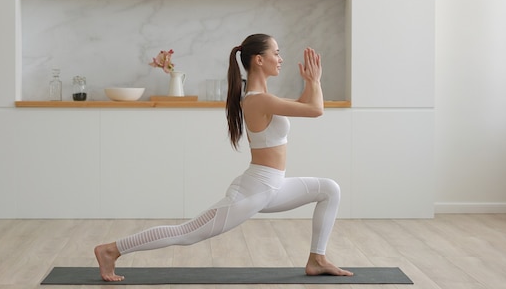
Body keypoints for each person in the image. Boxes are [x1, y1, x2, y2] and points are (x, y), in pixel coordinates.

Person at [94, 34, 353, 281]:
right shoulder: (257, 100)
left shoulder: (264, 99)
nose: (281, 58)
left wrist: (310, 82)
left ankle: (317, 260)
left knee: (329, 189)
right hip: (255, 190)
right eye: (276, 53)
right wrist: (316, 81)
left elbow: (303, 103)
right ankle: (111, 250)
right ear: (259, 60)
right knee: (187, 233)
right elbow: (315, 109)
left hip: (274, 186)